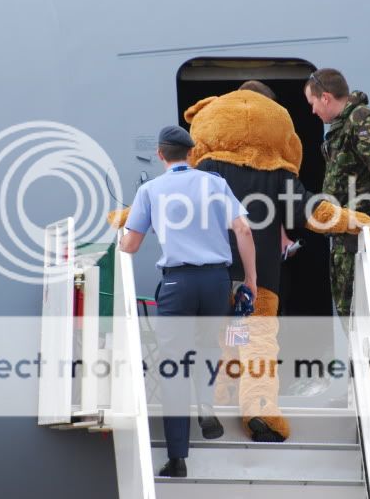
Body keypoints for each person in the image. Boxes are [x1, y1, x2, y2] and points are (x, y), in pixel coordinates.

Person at [183, 82, 370, 442]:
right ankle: (259, 410)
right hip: (258, 282)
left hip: (211, 277)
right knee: (257, 343)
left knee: (224, 337)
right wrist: (358, 221)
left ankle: (218, 399)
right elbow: (311, 211)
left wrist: (127, 218)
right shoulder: (275, 173)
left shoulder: (204, 170)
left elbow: (171, 204)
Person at [118, 125, 257, 477]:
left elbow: (130, 246)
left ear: (161, 155)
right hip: (215, 280)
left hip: (178, 283)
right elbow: (243, 229)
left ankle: (178, 457)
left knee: (173, 368)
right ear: (191, 154)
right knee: (210, 346)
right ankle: (206, 404)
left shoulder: (150, 190)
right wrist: (251, 281)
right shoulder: (215, 183)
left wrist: (121, 234)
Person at [304, 68, 370, 323]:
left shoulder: (360, 120)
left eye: (313, 103)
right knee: (349, 315)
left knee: (359, 318)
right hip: (346, 236)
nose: (312, 111)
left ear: (325, 97)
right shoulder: (342, 127)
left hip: (361, 237)